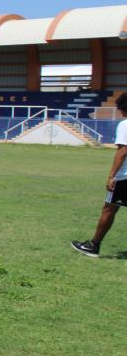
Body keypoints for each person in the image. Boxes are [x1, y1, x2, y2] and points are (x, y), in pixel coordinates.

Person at [72, 93, 127, 258]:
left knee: (109, 209)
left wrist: (112, 176)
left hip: (124, 177)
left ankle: (93, 246)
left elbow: (123, 151)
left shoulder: (125, 125)